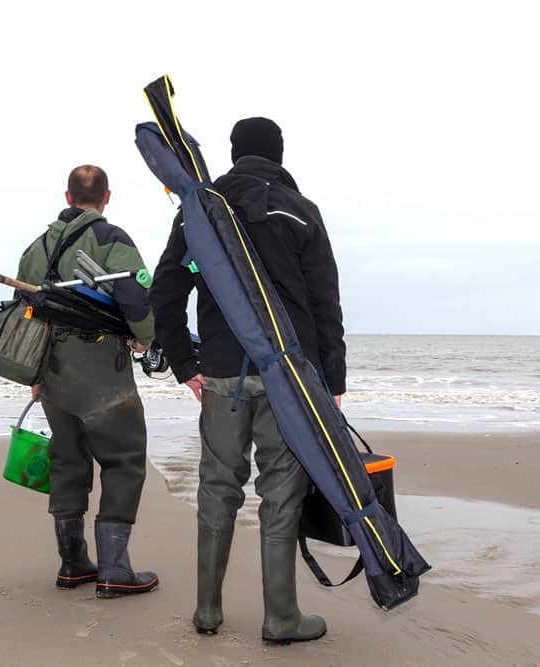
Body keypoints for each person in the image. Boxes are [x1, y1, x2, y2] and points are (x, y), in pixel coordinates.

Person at [150, 118, 346, 643]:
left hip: (219, 376)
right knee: (281, 492)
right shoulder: (302, 213)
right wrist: (334, 382)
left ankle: (207, 612)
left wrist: (184, 365)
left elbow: (167, 289)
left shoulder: (203, 209)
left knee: (218, 487)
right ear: (279, 155)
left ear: (234, 154)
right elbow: (326, 305)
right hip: (289, 379)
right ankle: (281, 617)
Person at [16, 164, 158, 598]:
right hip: (101, 368)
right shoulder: (113, 239)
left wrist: (34, 375)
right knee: (124, 459)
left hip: (51, 368)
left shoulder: (36, 248)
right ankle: (114, 570)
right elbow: (137, 297)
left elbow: (24, 308)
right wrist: (146, 338)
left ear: (67, 196)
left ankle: (73, 564)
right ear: (107, 198)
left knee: (68, 460)